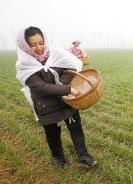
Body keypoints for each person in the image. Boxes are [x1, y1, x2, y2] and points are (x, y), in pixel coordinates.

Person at [16, 26, 96, 168]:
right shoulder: (24, 65)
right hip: (46, 105)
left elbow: (69, 70)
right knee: (53, 134)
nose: (39, 47)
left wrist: (64, 86)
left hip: (66, 101)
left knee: (76, 127)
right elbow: (41, 88)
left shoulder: (56, 55)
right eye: (33, 45)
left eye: (41, 43)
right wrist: (68, 89)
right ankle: (59, 158)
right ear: (25, 45)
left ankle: (83, 154)